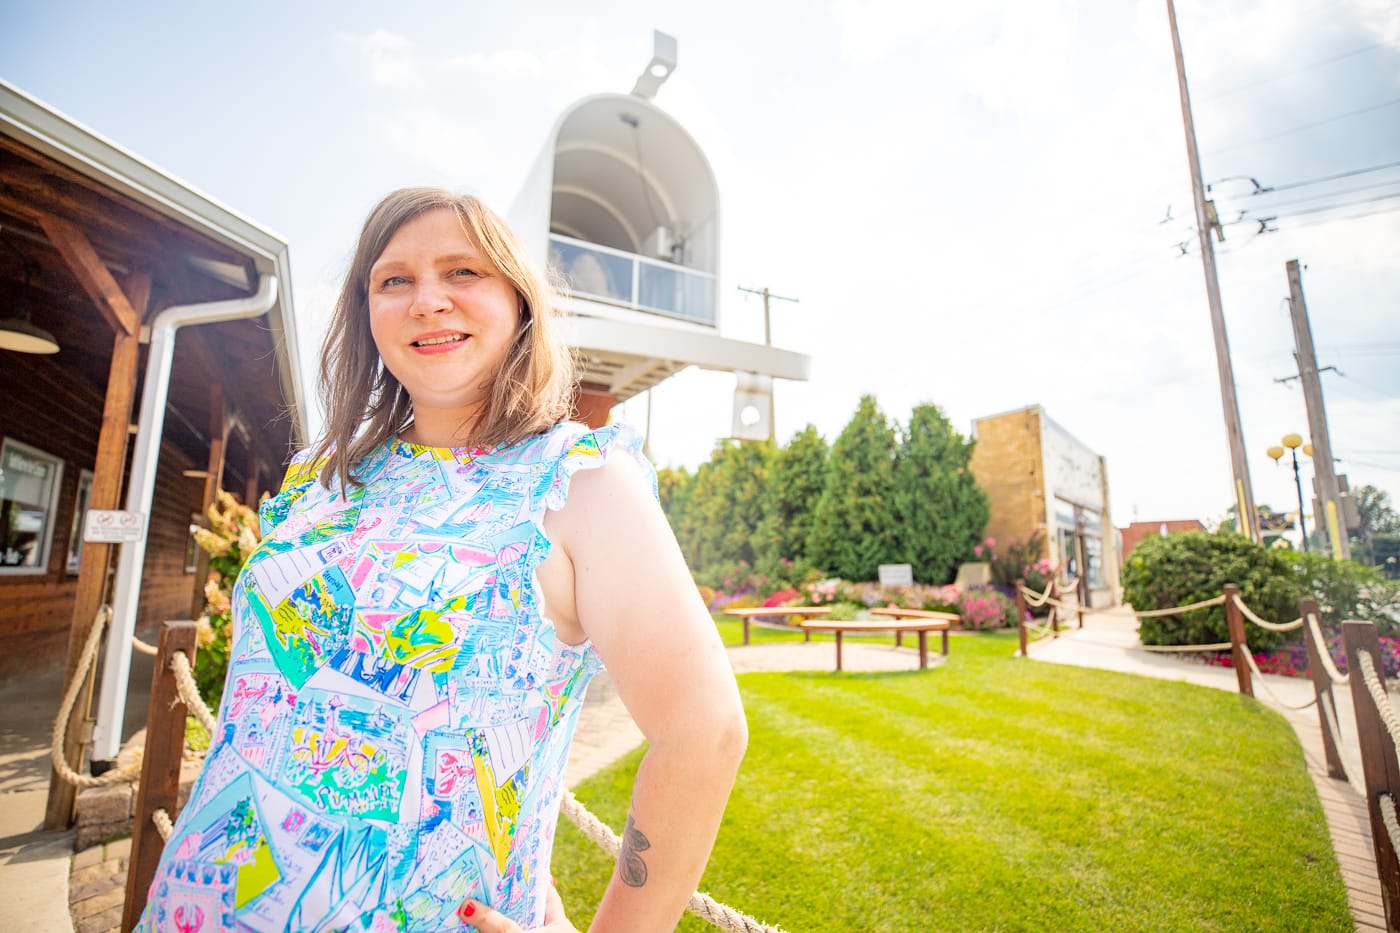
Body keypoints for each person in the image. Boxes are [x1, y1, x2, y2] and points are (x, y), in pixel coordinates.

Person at [135, 188, 747, 932]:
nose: (428, 299)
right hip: (198, 906)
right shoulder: (318, 478)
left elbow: (704, 729)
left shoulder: (578, 481)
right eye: (394, 280)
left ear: (519, 302)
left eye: (463, 272)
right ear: (368, 313)